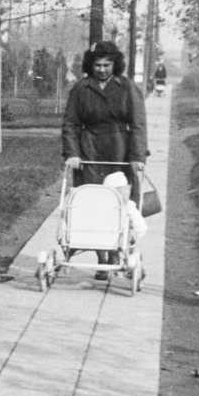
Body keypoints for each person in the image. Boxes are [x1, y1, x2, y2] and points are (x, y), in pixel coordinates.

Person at [62, 40, 148, 273]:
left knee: (120, 202)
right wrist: (72, 154)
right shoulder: (82, 88)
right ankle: (102, 258)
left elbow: (138, 124)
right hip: (89, 148)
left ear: (115, 64)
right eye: (97, 65)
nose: (101, 69)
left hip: (119, 148)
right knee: (94, 201)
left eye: (106, 65)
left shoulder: (127, 87)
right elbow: (70, 124)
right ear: (91, 65)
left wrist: (137, 156)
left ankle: (116, 250)